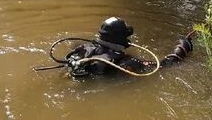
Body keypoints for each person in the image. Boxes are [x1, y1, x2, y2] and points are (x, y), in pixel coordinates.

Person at [64, 17, 193, 78]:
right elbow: (160, 66)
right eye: (126, 37)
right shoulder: (127, 63)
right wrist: (183, 48)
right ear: (121, 39)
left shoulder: (84, 49)